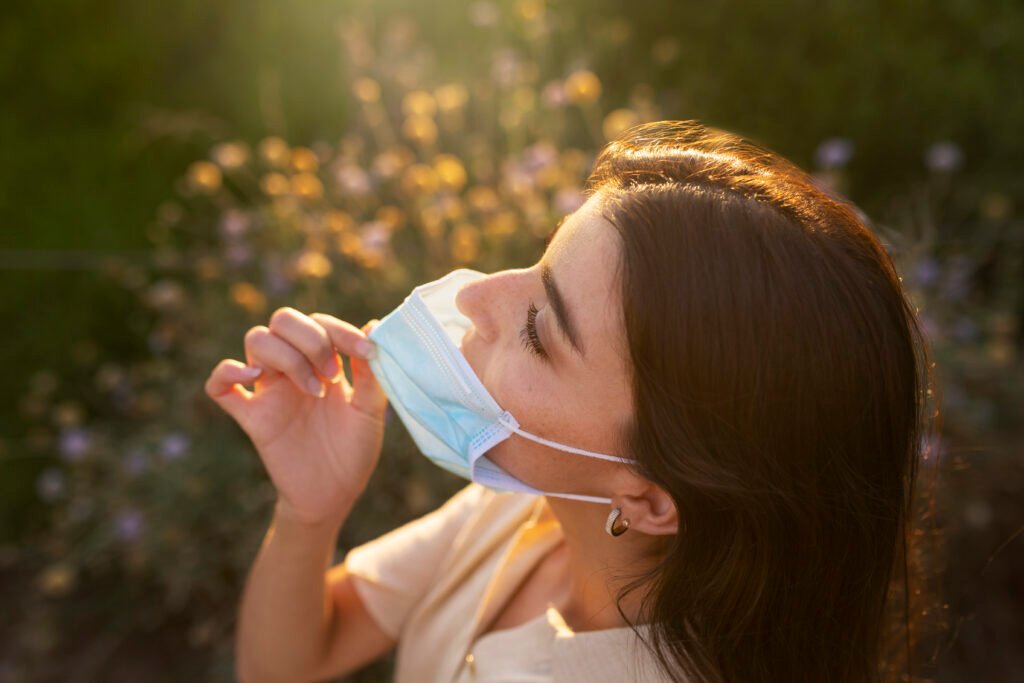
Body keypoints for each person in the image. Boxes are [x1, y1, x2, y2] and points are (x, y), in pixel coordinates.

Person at [206, 120, 937, 683]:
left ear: (650, 497)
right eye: (539, 259)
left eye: (538, 328)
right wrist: (309, 512)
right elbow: (293, 659)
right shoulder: (530, 508)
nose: (475, 293)